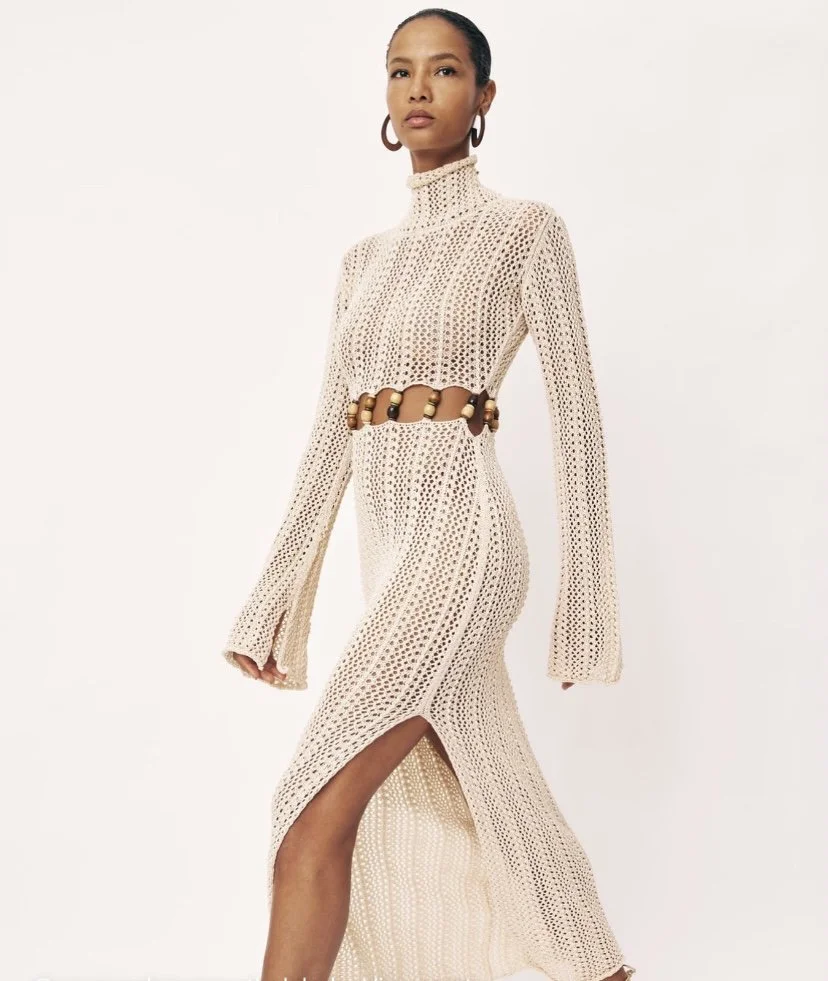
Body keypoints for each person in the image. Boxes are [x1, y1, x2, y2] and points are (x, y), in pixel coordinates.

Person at [222, 9, 636, 981]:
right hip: (393, 552)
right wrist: (275, 602)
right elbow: (330, 439)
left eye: (445, 71)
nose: (418, 88)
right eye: (400, 70)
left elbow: (579, 422)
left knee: (307, 808)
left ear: (483, 97)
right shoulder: (362, 263)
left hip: (466, 541)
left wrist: (583, 613)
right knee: (496, 806)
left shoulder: (525, 232)